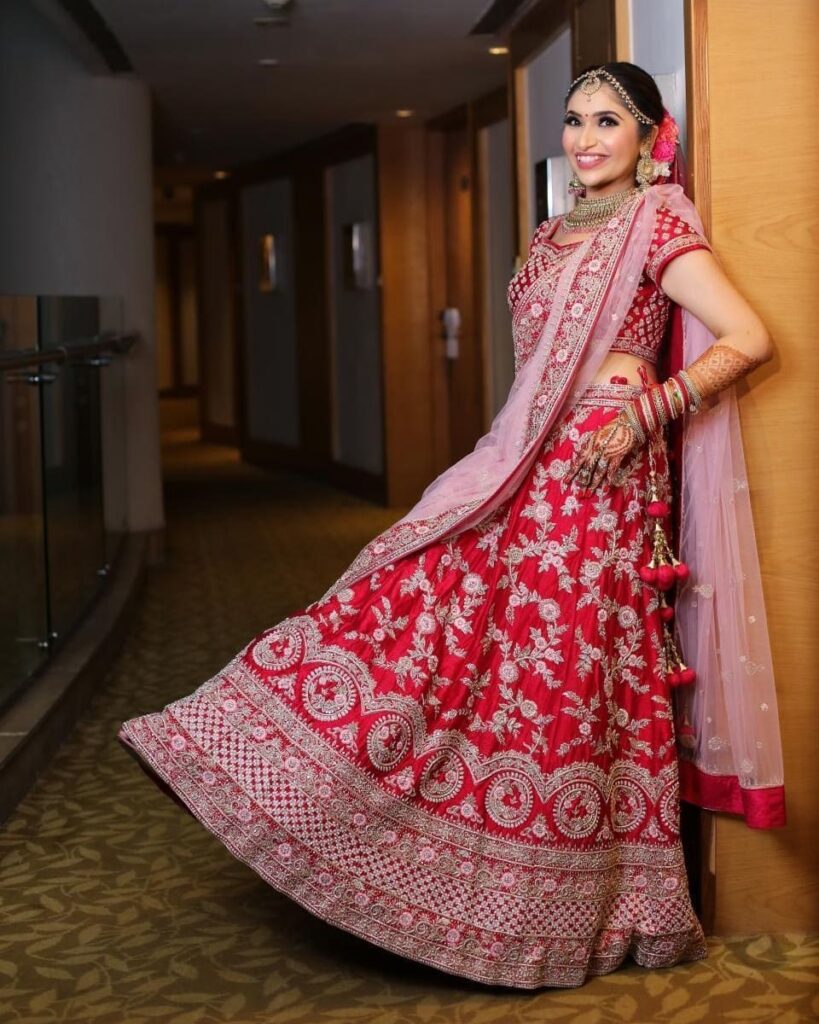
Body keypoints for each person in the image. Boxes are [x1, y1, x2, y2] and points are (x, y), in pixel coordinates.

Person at [117, 62, 786, 990]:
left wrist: (643, 411)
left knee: (561, 682)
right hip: (525, 468)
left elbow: (748, 339)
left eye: (608, 122)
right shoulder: (550, 235)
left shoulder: (658, 221)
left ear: (649, 137)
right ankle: (389, 845)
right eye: (575, 120)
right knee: (435, 617)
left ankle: (556, 913)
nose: (586, 139)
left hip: (596, 490)